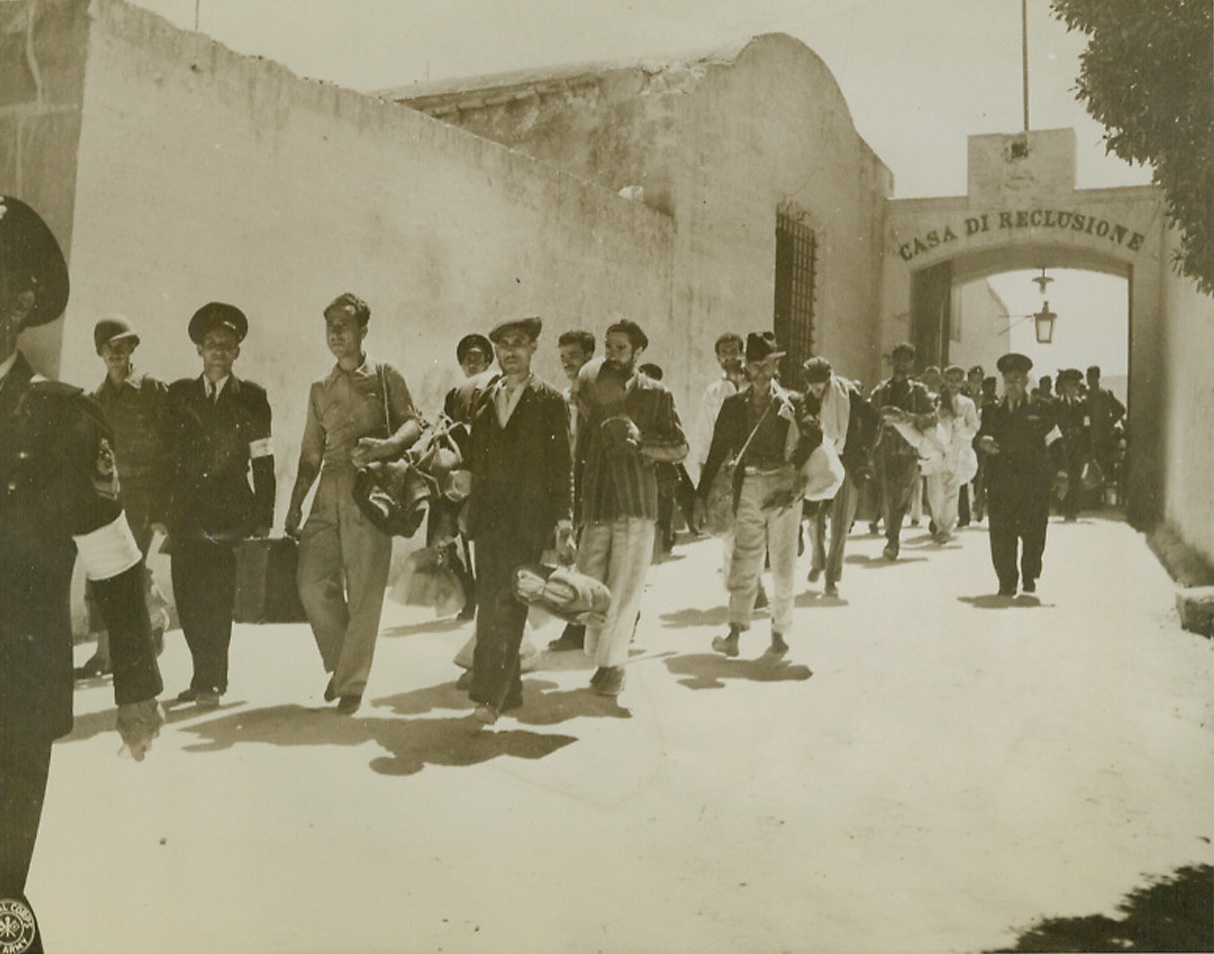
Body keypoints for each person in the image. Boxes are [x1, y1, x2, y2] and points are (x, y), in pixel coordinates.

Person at [0, 195, 163, 952]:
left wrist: (134, 688)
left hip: (14, 691)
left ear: (20, 304)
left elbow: (115, 560)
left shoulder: (60, 419)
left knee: (0, 901)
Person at [286, 294, 422, 715]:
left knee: (364, 592)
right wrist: (295, 505)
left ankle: (351, 684)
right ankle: (344, 663)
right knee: (311, 582)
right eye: (330, 326)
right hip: (328, 489)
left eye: (344, 326)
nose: (336, 334)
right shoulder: (319, 388)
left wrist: (386, 447)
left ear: (363, 330)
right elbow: (311, 452)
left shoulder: (385, 376)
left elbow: (414, 423)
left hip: (372, 489)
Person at [462, 317, 574, 724]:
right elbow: (475, 458)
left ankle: (489, 698)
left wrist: (564, 523)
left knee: (509, 605)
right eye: (503, 345)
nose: (510, 351)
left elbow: (562, 466)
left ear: (533, 349)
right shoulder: (486, 397)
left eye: (519, 344)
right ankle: (509, 692)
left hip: (527, 522)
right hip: (489, 521)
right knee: (489, 605)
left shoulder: (549, 401)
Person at [166, 302, 275, 709]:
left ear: (237, 353)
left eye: (227, 345)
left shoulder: (252, 397)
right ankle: (200, 676)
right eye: (212, 344)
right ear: (199, 349)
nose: (219, 351)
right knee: (187, 595)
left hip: (229, 512)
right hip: (186, 513)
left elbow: (263, 460)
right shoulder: (178, 395)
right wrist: (162, 512)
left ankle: (213, 680)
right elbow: (165, 457)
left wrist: (264, 517)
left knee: (217, 596)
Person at [574, 319, 688, 696]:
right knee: (590, 583)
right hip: (598, 501)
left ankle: (614, 667)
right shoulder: (591, 387)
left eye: (621, 348)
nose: (613, 354)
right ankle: (603, 656)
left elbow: (680, 448)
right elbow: (581, 451)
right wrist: (576, 505)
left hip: (638, 503)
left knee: (625, 588)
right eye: (609, 346)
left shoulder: (657, 394)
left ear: (638, 353)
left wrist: (642, 443)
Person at [699, 332, 821, 657]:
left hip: (783, 487)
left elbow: (814, 432)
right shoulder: (732, 405)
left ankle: (780, 633)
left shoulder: (793, 401)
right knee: (744, 559)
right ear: (746, 369)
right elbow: (716, 452)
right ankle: (735, 633)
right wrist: (701, 495)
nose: (763, 374)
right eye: (756, 367)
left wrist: (793, 467)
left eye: (769, 366)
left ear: (776, 367)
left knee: (782, 562)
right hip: (749, 486)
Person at [75, 316, 173, 679]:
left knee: (128, 569)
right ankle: (104, 653)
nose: (115, 353)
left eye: (121, 346)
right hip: (106, 495)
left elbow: (170, 451)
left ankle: (153, 618)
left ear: (132, 349)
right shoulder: (94, 399)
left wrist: (164, 506)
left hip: (143, 496)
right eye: (107, 348)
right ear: (100, 354)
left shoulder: (151, 390)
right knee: (99, 567)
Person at [977, 352, 1068, 596]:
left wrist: (1061, 471)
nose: (1013, 384)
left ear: (1027, 381)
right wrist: (982, 441)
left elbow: (1056, 441)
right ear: (1003, 382)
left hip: (1033, 484)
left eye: (1018, 379)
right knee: (1001, 533)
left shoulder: (1042, 409)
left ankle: (1029, 574)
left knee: (1034, 534)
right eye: (1008, 380)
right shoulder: (991, 411)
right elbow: (980, 436)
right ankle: (1006, 581)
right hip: (1001, 484)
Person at [803, 356, 876, 597]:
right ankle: (818, 560)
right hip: (819, 461)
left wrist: (864, 448)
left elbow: (872, 418)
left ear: (829, 379)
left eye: (820, 384)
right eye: (812, 385)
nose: (816, 389)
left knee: (841, 523)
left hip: (846, 461)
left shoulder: (847, 393)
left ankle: (832, 578)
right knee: (814, 518)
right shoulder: (807, 401)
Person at [441, 333, 496, 622]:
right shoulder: (454, 394)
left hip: (492, 472)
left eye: (477, 358)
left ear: (488, 360)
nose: (471, 364)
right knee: (460, 533)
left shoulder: (498, 386)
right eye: (466, 360)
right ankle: (471, 594)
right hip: (465, 469)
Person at [548, 329, 596, 653]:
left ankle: (582, 628)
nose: (567, 362)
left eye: (573, 356)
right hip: (573, 481)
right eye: (563, 357)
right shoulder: (564, 397)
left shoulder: (601, 395)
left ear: (589, 357)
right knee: (576, 555)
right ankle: (580, 624)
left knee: (592, 554)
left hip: (596, 481)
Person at [869, 343, 937, 560]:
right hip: (884, 449)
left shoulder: (918, 392)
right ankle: (892, 534)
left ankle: (893, 540)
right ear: (892, 362)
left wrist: (910, 418)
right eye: (898, 359)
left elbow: (933, 416)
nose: (901, 364)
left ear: (911, 363)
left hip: (907, 449)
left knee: (902, 493)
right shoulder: (880, 391)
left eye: (906, 360)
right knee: (887, 493)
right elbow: (869, 416)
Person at [923, 365, 980, 542]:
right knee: (935, 490)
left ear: (962, 382)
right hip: (938, 450)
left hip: (957, 451)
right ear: (944, 381)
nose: (953, 384)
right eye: (949, 380)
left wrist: (957, 421)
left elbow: (974, 428)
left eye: (956, 381)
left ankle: (945, 528)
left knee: (951, 490)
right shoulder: (934, 401)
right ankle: (937, 520)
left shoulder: (967, 404)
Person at [1054, 368, 1089, 521]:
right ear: (1064, 386)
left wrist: (1087, 448)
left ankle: (1072, 510)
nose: (1074, 389)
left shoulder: (1082, 405)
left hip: (1076, 446)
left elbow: (1087, 426)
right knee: (1062, 474)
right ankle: (1060, 506)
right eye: (1071, 385)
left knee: (1075, 476)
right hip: (1061, 445)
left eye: (1076, 385)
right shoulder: (1056, 404)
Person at [1084, 364, 1126, 490]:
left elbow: (1120, 409)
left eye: (1092, 377)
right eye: (1089, 377)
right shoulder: (1088, 395)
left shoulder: (1104, 394)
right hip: (1094, 436)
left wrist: (1109, 423)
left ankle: (1098, 497)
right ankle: (1094, 497)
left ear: (1097, 378)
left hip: (1100, 437)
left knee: (1101, 467)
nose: (1090, 380)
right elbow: (1120, 410)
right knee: (1093, 467)